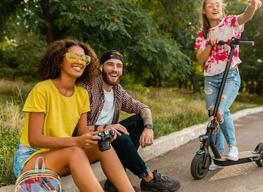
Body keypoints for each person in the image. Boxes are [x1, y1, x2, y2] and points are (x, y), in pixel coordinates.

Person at [13, 39, 134, 192]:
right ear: (59, 61)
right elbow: (35, 138)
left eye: (84, 58)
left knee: (104, 145)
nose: (80, 61)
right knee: (75, 151)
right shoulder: (42, 90)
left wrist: (99, 134)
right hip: (32, 159)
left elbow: (83, 130)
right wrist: (77, 141)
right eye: (73, 57)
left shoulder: (82, 94)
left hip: (63, 153)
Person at [83, 50, 181, 192]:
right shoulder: (88, 88)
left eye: (119, 66)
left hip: (110, 134)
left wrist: (148, 127)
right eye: (110, 64)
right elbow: (79, 129)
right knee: (121, 138)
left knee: (138, 121)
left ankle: (113, 182)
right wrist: (108, 127)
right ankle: (148, 178)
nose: (115, 69)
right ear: (101, 67)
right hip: (89, 140)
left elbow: (143, 108)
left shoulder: (117, 90)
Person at [194, 0, 262, 167]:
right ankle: (218, 154)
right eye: (210, 6)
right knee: (212, 115)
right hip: (210, 79)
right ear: (204, 11)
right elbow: (200, 59)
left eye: (218, 4)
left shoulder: (230, 22)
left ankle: (233, 147)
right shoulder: (202, 34)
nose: (215, 7)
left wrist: (251, 7)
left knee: (220, 111)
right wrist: (210, 43)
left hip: (230, 76)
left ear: (221, 7)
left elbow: (245, 16)